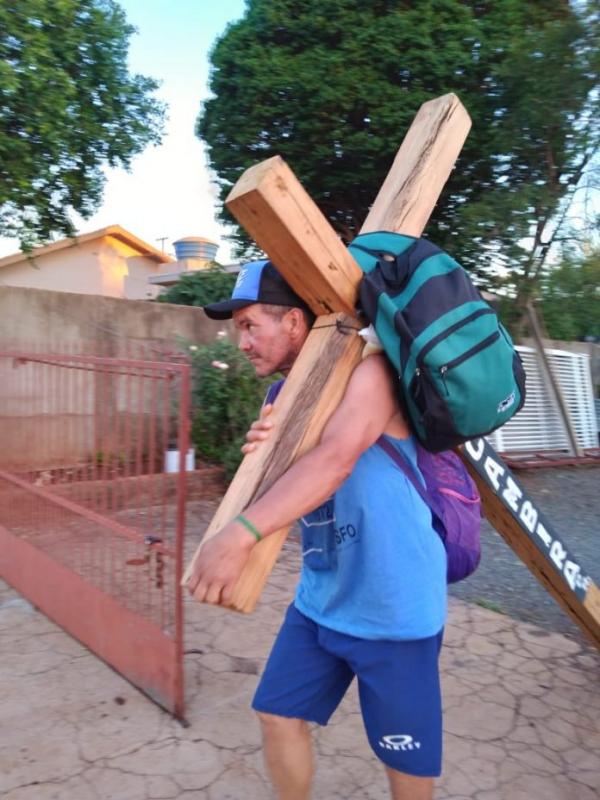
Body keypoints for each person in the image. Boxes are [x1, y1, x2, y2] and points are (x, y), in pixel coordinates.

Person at [187, 259, 447, 800]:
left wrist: (238, 535)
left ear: (294, 322)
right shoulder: (279, 397)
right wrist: (262, 457)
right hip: (321, 598)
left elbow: (335, 461)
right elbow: (287, 491)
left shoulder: (374, 374)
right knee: (277, 713)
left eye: (249, 325)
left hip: (393, 605)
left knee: (402, 759)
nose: (242, 343)